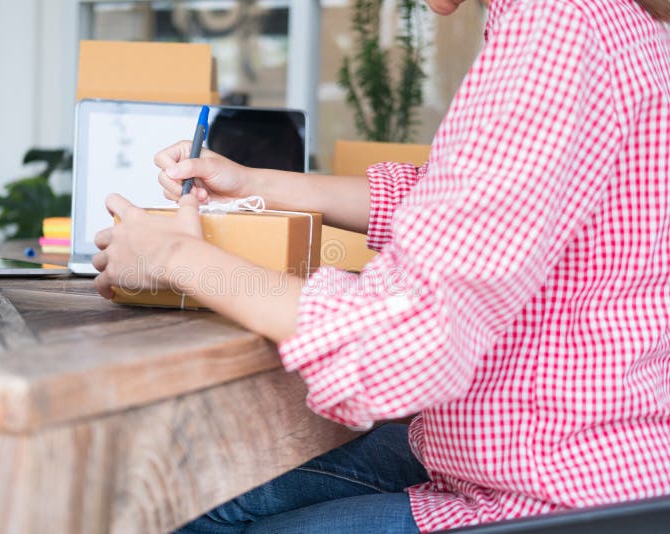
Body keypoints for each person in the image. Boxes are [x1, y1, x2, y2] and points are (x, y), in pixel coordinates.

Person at [92, 0, 670, 531]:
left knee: (176, 508)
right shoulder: (620, 24)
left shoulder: (558, 27)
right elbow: (464, 203)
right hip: (573, 457)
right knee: (199, 492)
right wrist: (256, 184)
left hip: (544, 493)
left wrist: (176, 256)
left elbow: (410, 336)